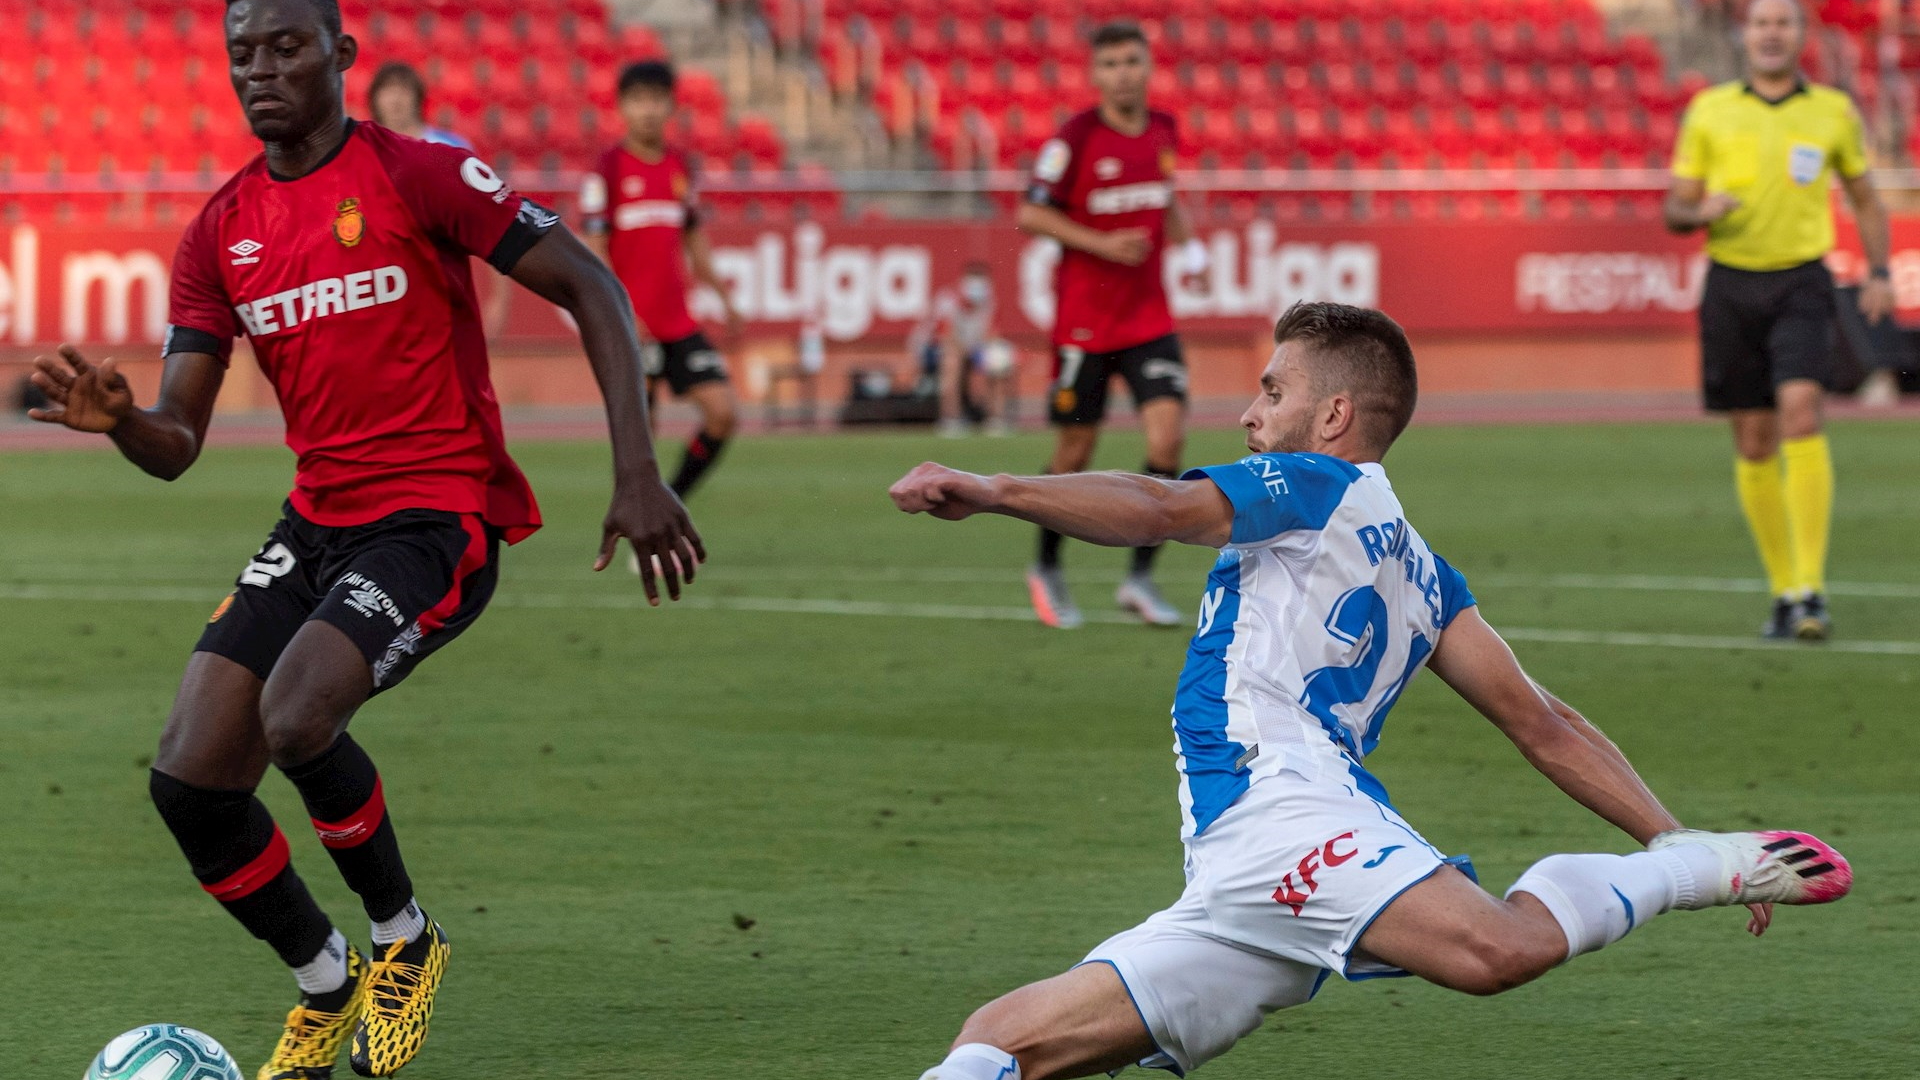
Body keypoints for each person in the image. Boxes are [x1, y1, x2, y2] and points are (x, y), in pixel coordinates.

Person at [888, 301, 1852, 1080]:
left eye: (1273, 389)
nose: (1251, 413)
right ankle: (1689, 859)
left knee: (1495, 952)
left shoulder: (1307, 481)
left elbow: (1161, 506)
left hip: (1284, 804)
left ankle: (1701, 874)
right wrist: (1658, 822)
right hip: (1238, 859)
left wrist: (998, 488)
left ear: (1336, 418)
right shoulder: (1421, 568)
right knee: (1004, 1041)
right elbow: (1543, 721)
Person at [26, 1, 704, 1076]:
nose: (261, 70)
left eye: (286, 46)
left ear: (341, 56)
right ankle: (325, 981)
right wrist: (120, 425)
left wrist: (637, 471)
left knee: (294, 718)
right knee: (190, 779)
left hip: (439, 516)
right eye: (242, 53)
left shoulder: (419, 174)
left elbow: (592, 283)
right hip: (318, 521)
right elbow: (178, 442)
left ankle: (405, 938)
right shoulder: (219, 232)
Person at [1664, 0, 1894, 641]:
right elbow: (1675, 212)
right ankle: (1784, 592)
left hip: (1802, 280)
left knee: (1801, 411)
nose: (1771, 34)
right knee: (1755, 440)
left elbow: (1866, 197)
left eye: (1783, 23)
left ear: (1801, 35)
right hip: (1732, 284)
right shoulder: (1711, 110)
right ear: (1746, 35)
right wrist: (1701, 207)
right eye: (1761, 23)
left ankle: (1813, 589)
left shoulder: (1832, 112)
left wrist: (1878, 273)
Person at [1017, 20, 1208, 630]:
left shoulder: (1164, 128)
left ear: (1149, 66)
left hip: (1148, 317)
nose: (1123, 73)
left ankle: (1139, 578)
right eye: (1111, 64)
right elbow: (1030, 213)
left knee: (1168, 438)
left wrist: (1189, 246)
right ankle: (1046, 565)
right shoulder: (1074, 139)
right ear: (1095, 74)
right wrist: (1100, 243)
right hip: (1084, 325)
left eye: (1132, 62)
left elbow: (1165, 195)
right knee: (1076, 448)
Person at [580, 59, 744, 500]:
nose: (648, 110)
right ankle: (644, 521)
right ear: (622, 108)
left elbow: (693, 239)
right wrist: (619, 312)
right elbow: (594, 249)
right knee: (641, 438)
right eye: (639, 101)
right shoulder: (608, 168)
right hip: (633, 324)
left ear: (671, 106)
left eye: (656, 100)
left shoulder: (680, 166)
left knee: (723, 414)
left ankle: (672, 502)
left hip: (678, 323)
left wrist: (725, 300)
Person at [364, 60, 514, 340]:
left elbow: (491, 222)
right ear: (375, 99)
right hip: (382, 292)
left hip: (445, 289)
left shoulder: (452, 149)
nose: (395, 99)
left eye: (403, 90)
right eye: (388, 91)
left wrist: (500, 297)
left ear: (418, 97)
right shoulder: (362, 154)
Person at [908, 261, 1015, 438]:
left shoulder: (989, 301)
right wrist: (966, 350)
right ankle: (951, 419)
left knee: (997, 359)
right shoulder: (949, 299)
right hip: (935, 348)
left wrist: (989, 353)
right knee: (952, 362)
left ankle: (996, 419)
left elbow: (992, 333)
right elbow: (946, 335)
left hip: (973, 347)